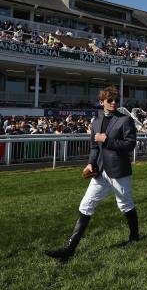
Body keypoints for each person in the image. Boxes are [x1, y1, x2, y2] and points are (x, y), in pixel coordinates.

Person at [45, 86, 139, 261]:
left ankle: (134, 237)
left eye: (115, 100)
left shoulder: (125, 120)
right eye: (109, 100)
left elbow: (130, 145)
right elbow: (95, 147)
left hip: (119, 171)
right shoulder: (96, 122)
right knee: (86, 205)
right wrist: (90, 163)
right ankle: (70, 248)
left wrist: (108, 140)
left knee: (125, 205)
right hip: (100, 172)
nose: (113, 103)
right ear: (101, 102)